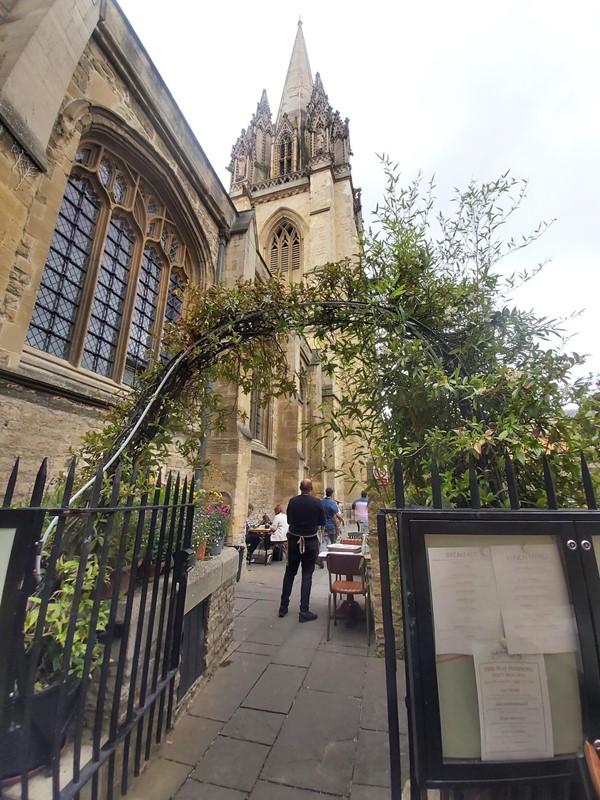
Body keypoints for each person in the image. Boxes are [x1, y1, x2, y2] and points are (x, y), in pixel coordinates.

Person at [278, 479, 325, 622]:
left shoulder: (293, 501)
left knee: (290, 573)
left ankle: (283, 607)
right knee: (307, 575)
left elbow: (289, 521)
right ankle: (304, 611)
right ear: (311, 488)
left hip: (294, 540)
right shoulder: (317, 503)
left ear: (300, 488)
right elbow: (321, 522)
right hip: (310, 542)